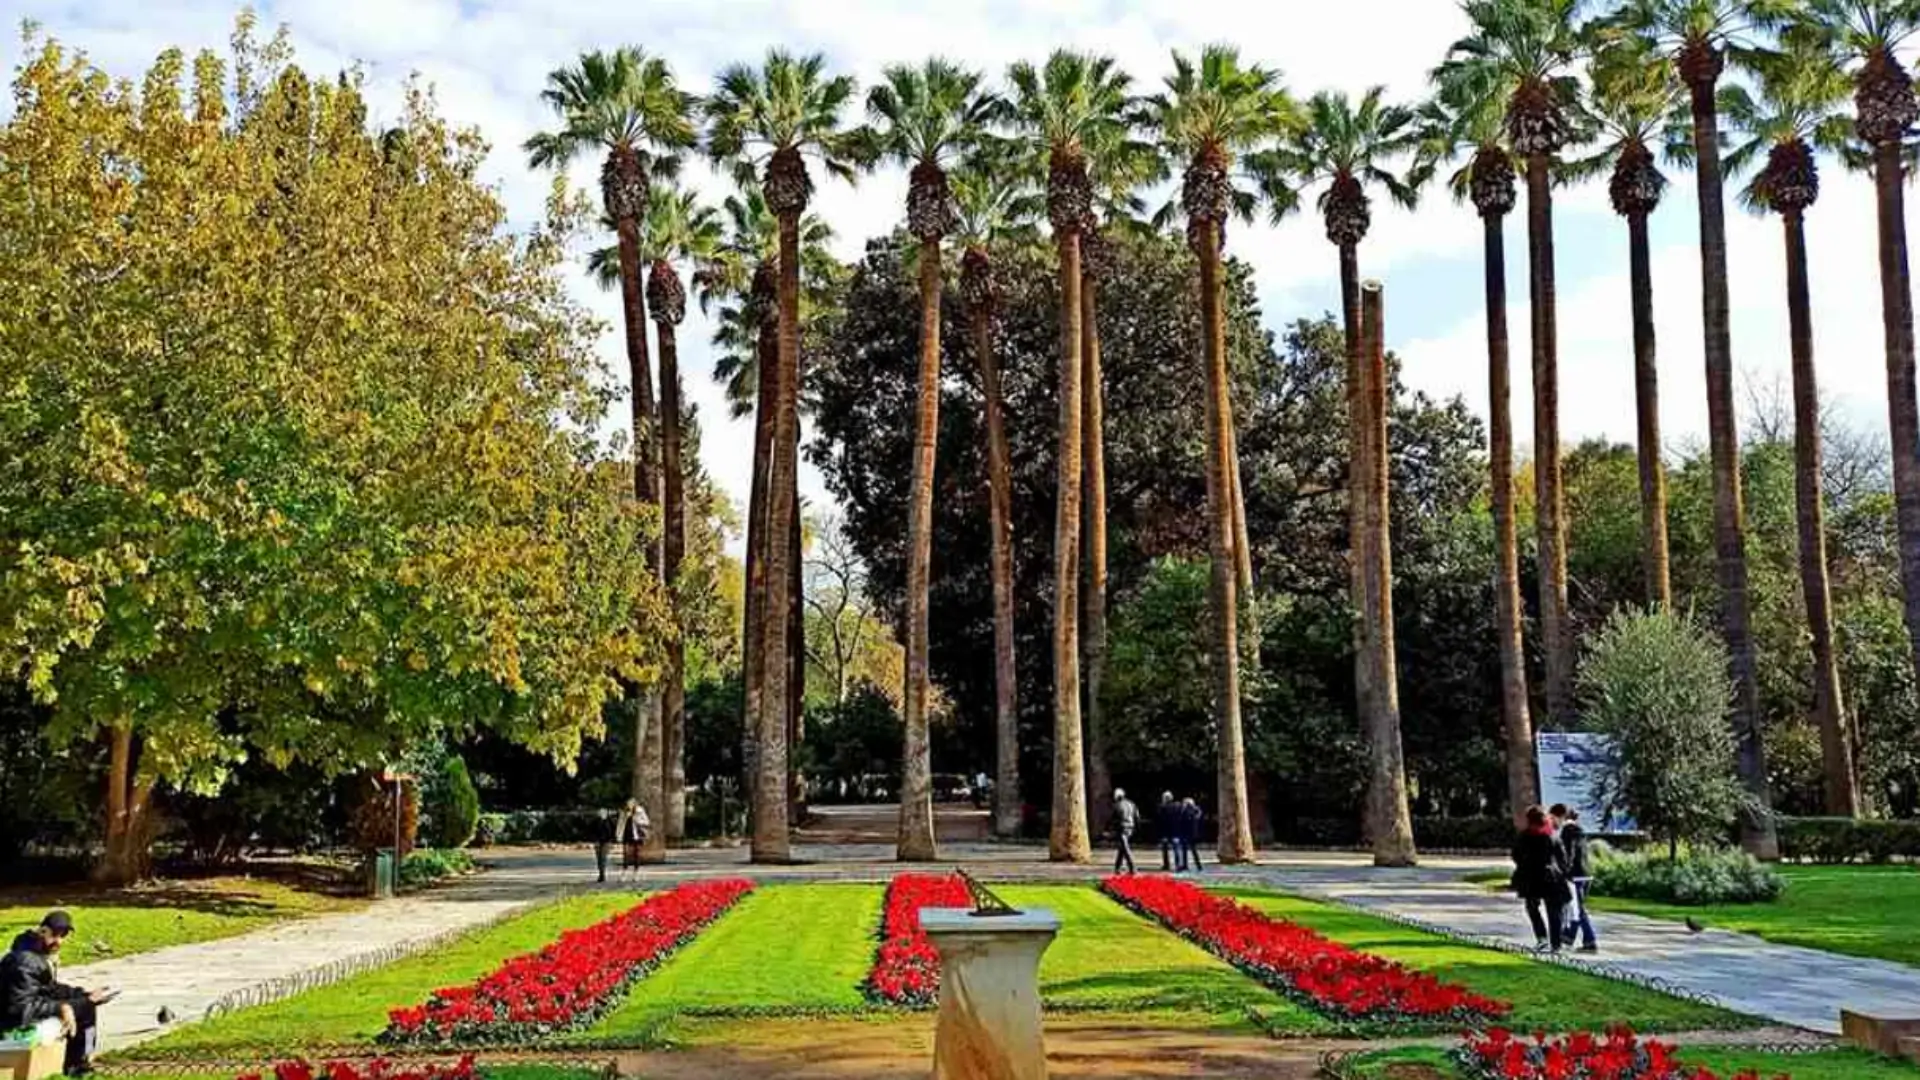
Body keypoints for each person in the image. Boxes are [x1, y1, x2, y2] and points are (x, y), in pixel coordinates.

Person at [1, 911, 112, 1077]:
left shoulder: (35, 954)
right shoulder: (25, 961)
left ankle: (80, 1061)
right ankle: (79, 1066)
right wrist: (62, 1008)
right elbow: (21, 1008)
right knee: (86, 1009)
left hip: (18, 1013)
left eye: (63, 936)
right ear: (43, 931)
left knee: (86, 1002)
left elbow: (49, 988)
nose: (58, 942)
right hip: (9, 1023)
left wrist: (81, 994)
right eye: (55, 935)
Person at [1510, 804, 1571, 952]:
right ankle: (1556, 944)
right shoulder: (1552, 836)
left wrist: (1524, 866)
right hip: (1551, 877)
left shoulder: (1524, 836)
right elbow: (1563, 859)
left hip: (1530, 877)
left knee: (1532, 908)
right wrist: (1562, 872)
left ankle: (1542, 937)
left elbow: (1516, 855)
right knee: (1554, 910)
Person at [1559, 807, 1598, 952]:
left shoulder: (1567, 831)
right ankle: (1568, 938)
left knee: (1578, 909)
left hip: (1574, 875)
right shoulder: (1580, 831)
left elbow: (1569, 852)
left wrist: (1564, 871)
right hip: (1586, 873)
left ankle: (1590, 941)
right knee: (1576, 908)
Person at [616, 798, 649, 880]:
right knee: (626, 854)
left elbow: (646, 822)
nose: (629, 806)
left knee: (636, 855)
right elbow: (620, 824)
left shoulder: (640, 811)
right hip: (626, 835)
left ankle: (636, 873)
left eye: (631, 804)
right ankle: (624, 874)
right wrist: (618, 835)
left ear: (635, 804)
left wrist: (636, 819)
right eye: (628, 804)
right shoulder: (624, 812)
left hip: (636, 835)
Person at [1110, 788, 1139, 875]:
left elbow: (1113, 818)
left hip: (1122, 828)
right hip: (1130, 827)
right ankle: (1117, 868)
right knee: (1122, 848)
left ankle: (1132, 868)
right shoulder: (1131, 804)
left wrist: (1110, 829)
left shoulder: (1117, 805)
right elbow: (1137, 816)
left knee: (1126, 849)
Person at [1156, 792, 1183, 872]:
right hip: (1176, 831)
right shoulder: (1177, 806)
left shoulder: (1161, 807)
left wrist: (1161, 834)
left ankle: (1166, 865)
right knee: (1176, 849)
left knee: (1165, 850)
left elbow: (1160, 822)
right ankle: (1177, 865)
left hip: (1166, 832)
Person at [1179, 797, 1205, 873]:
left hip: (1188, 833)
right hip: (1190, 833)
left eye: (1184, 803)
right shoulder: (1196, 810)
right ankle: (1188, 865)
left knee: (1191, 850)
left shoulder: (1189, 811)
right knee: (1188, 850)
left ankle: (1194, 865)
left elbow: (1186, 821)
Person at [592, 807, 615, 883]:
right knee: (599, 859)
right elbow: (592, 832)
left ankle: (602, 874)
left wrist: (612, 842)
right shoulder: (596, 821)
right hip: (598, 842)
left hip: (606, 842)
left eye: (604, 812)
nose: (602, 814)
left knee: (603, 858)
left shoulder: (609, 821)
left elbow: (612, 832)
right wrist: (595, 841)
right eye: (601, 812)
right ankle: (601, 873)